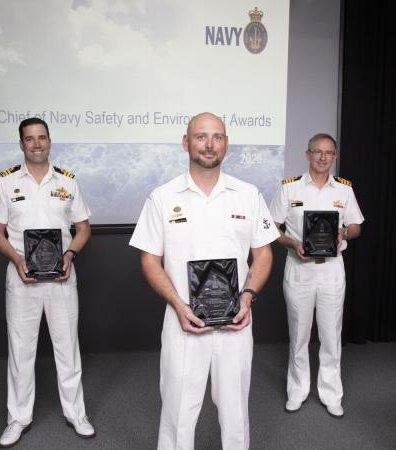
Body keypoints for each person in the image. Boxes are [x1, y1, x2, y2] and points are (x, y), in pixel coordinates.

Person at [129, 112, 279, 449]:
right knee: (178, 413)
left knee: (235, 413)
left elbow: (264, 254)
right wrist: (178, 305)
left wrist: (248, 295)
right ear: (186, 143)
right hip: (183, 322)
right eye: (201, 137)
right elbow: (150, 260)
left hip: (236, 323)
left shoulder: (248, 194)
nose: (209, 144)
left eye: (217, 137)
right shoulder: (163, 197)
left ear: (226, 144)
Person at [0, 118, 94, 447]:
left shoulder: (67, 181)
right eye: (29, 139)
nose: (37, 144)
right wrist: (17, 259)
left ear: (49, 141)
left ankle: (76, 412)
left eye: (42, 138)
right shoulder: (7, 182)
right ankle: (18, 418)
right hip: (22, 277)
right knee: (21, 351)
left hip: (61, 277)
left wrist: (71, 254)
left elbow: (83, 227)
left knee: (67, 348)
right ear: (21, 145)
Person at [268, 133, 364, 417]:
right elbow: (272, 227)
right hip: (299, 268)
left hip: (332, 270)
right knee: (298, 333)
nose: (323, 157)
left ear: (334, 156)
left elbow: (357, 225)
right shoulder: (290, 188)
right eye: (317, 152)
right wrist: (293, 243)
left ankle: (331, 393)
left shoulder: (344, 190)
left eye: (329, 153)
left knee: (331, 334)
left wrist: (343, 232)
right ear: (307, 154)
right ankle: (297, 390)